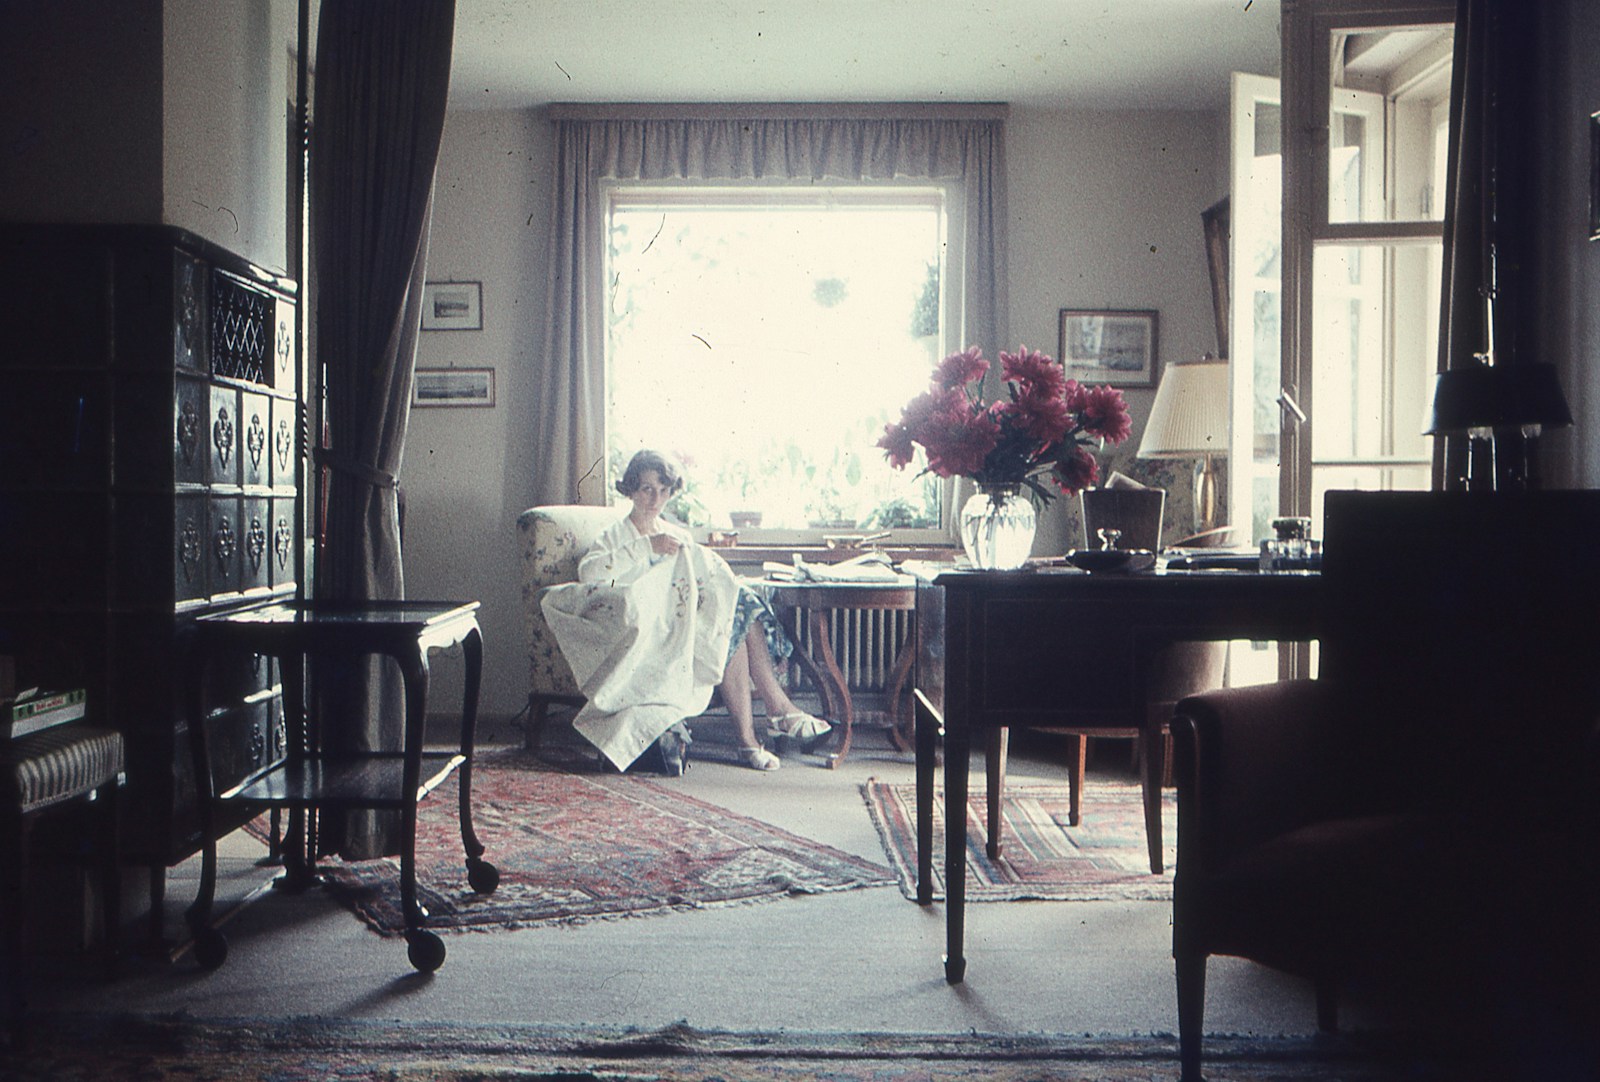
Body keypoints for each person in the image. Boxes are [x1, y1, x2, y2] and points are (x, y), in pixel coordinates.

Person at [542, 449, 830, 774]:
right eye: (648, 489)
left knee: (734, 608)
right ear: (632, 489)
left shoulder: (676, 534)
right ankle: (768, 721)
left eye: (663, 491)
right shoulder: (616, 535)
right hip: (653, 632)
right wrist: (646, 547)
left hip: (687, 622)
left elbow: (701, 581)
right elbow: (591, 573)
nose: (656, 499)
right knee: (736, 614)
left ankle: (757, 732)